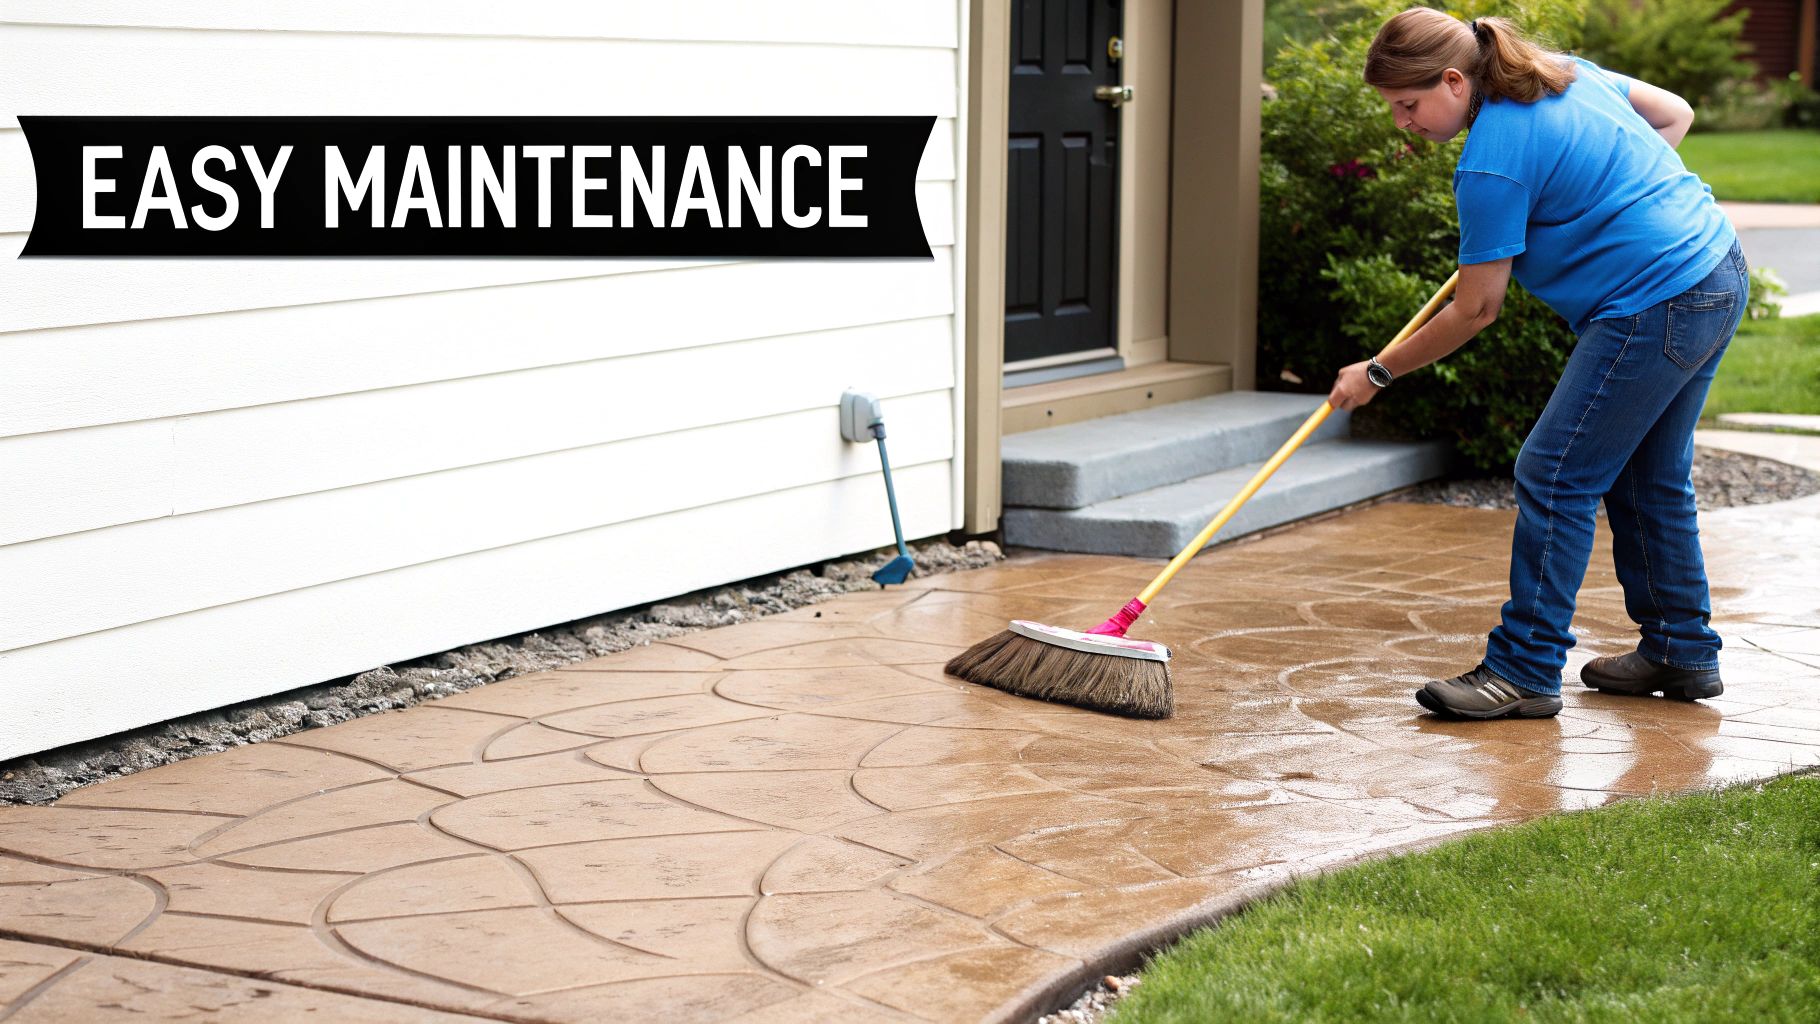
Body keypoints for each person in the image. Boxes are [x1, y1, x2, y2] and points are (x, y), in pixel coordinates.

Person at [1327, 8, 1746, 720]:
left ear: (1453, 81)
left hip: (1654, 302)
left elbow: (1475, 310)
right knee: (1648, 476)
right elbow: (1674, 114)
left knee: (1555, 473)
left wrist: (1377, 371)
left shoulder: (1491, 161)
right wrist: (1607, 195)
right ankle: (1681, 649)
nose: (1402, 122)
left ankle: (1522, 670)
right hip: (1714, 269)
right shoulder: (1562, 75)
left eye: (1408, 104)